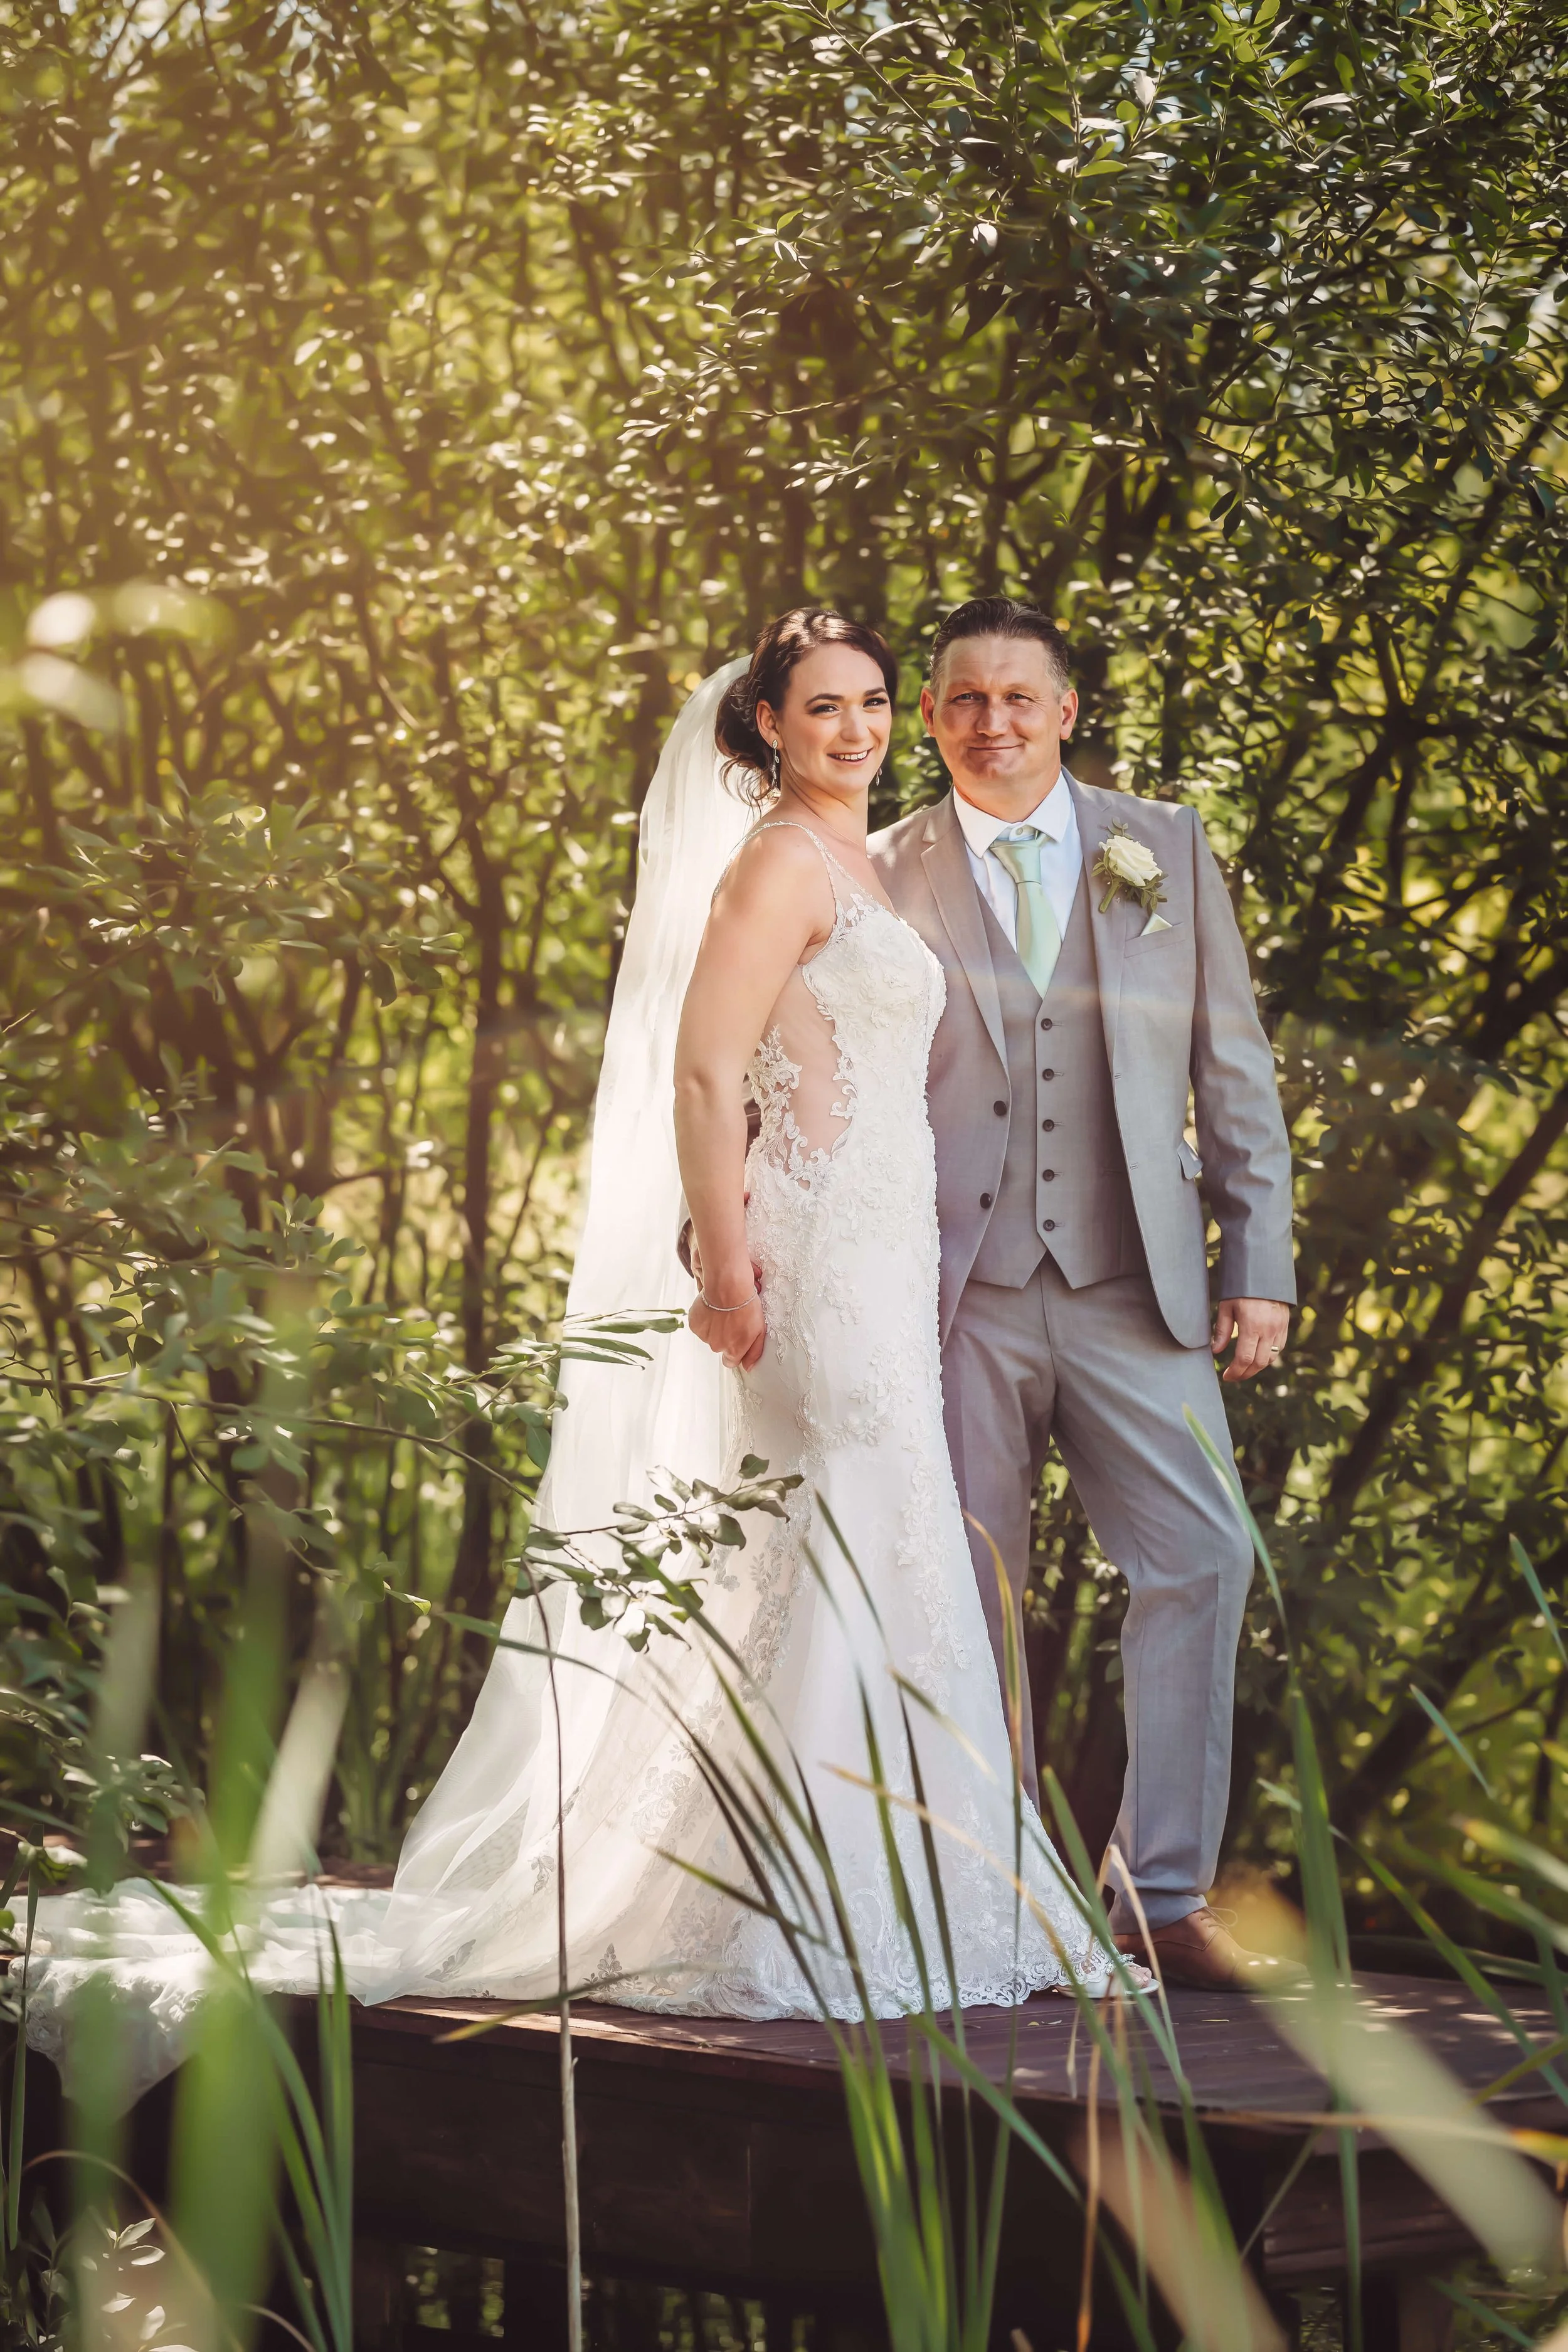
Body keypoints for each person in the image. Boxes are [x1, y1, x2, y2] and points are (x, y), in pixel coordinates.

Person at [19, 617, 1140, 2102]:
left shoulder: (865, 861)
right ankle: (792, 1901)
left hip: (883, 1243)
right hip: (804, 1254)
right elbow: (699, 1062)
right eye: (825, 709)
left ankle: (892, 1885)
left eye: (874, 704)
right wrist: (730, 1256)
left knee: (879, 1537)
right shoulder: (778, 863)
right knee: (844, 1524)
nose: (858, 729)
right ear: (764, 726)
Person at [870, 597, 1296, 1989]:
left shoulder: (1158, 846)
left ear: (1064, 711)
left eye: (1016, 696)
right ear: (929, 720)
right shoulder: (879, 867)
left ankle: (1155, 1896)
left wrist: (1260, 1262)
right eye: (960, 699)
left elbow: (1228, 1060)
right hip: (957, 1291)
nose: (989, 719)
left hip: (1138, 1285)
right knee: (963, 1591)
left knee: (1201, 1558)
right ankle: (974, 1895)